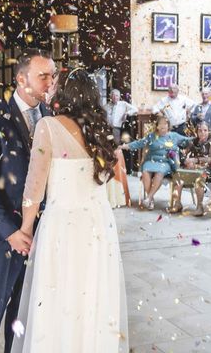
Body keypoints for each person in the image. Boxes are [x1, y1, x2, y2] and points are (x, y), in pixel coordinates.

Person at [11, 68, 128, 352]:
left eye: (55, 84)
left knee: (60, 295)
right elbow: (115, 175)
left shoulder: (48, 127)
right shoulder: (102, 130)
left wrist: (26, 229)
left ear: (65, 93)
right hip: (98, 226)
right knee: (93, 295)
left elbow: (34, 188)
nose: (49, 87)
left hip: (63, 225)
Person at [0, 49, 55, 353]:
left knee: (21, 310)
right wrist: (11, 231)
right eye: (43, 75)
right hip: (0, 233)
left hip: (39, 231)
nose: (50, 82)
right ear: (21, 79)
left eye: (53, 75)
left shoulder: (51, 117)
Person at [120, 116, 191, 210]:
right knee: (145, 171)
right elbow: (139, 143)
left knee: (159, 172)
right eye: (160, 124)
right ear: (157, 126)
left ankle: (148, 198)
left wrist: (199, 139)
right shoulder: (151, 136)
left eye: (165, 124)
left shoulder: (174, 136)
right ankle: (151, 199)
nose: (163, 126)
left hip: (165, 162)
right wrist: (124, 146)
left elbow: (188, 140)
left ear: (168, 125)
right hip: (151, 160)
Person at [171, 121, 211, 216]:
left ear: (209, 131)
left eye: (205, 130)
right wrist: (187, 162)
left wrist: (196, 160)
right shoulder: (193, 141)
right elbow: (184, 155)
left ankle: (199, 207)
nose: (202, 133)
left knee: (199, 178)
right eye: (200, 130)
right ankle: (177, 204)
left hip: (208, 169)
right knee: (178, 175)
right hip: (193, 168)